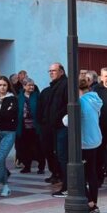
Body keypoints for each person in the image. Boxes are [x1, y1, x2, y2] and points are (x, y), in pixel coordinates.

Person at [65, 73, 103, 213]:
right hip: (95, 139)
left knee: (80, 173)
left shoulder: (80, 102)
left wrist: (64, 119)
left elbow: (72, 120)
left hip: (84, 141)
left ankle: (90, 204)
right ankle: (94, 202)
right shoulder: (95, 99)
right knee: (92, 173)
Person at [39, 63, 69, 191]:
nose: (51, 73)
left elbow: (66, 105)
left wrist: (57, 118)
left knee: (63, 155)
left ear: (61, 72)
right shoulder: (51, 87)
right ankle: (58, 176)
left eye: (54, 71)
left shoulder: (65, 84)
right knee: (54, 153)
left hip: (62, 126)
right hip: (51, 127)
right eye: (50, 71)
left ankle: (67, 184)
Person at [15, 78, 42, 175]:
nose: (31, 87)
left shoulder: (37, 96)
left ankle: (41, 166)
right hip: (23, 127)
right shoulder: (19, 97)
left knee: (38, 147)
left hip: (36, 127)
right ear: (24, 86)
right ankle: (27, 166)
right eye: (29, 85)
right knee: (25, 148)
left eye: (32, 85)